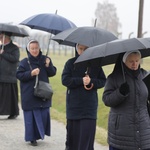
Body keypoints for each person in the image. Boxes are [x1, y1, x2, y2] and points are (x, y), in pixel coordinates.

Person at [102, 50, 150, 150]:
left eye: (137, 61)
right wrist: (120, 93)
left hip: (144, 131)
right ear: (124, 61)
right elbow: (106, 100)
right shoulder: (113, 78)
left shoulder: (145, 75)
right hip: (120, 133)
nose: (134, 64)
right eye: (131, 61)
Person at [62, 43, 106, 150]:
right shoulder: (70, 63)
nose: (82, 51)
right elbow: (65, 80)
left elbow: (103, 81)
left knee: (86, 141)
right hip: (73, 107)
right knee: (72, 141)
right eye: (80, 49)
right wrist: (81, 80)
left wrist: (91, 81)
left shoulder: (96, 64)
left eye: (86, 49)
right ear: (77, 49)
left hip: (89, 108)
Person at [16, 39, 57, 146]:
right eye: (32, 48)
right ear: (28, 49)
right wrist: (31, 73)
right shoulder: (24, 62)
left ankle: (40, 134)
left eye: (36, 48)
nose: (34, 50)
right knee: (30, 118)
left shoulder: (45, 59)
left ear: (39, 48)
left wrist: (48, 65)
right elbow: (19, 75)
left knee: (43, 114)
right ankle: (32, 138)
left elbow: (52, 73)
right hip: (29, 94)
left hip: (43, 93)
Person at [0, 32, 19, 119]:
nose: (0, 38)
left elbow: (15, 59)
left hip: (9, 75)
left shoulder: (14, 48)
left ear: (6, 37)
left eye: (1, 37)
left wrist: (3, 53)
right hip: (1, 75)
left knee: (10, 96)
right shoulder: (1, 47)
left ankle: (13, 112)